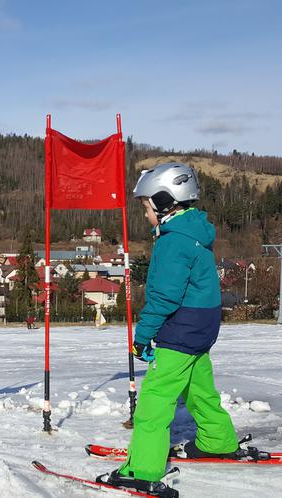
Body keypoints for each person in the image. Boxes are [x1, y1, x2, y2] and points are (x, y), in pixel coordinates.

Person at [101, 163, 238, 495]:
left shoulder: (173, 241)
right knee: (197, 387)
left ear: (164, 203)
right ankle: (217, 440)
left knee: (156, 398)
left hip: (181, 327)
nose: (145, 214)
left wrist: (143, 334)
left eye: (146, 206)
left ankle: (143, 468)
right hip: (203, 325)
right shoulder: (195, 232)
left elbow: (164, 297)